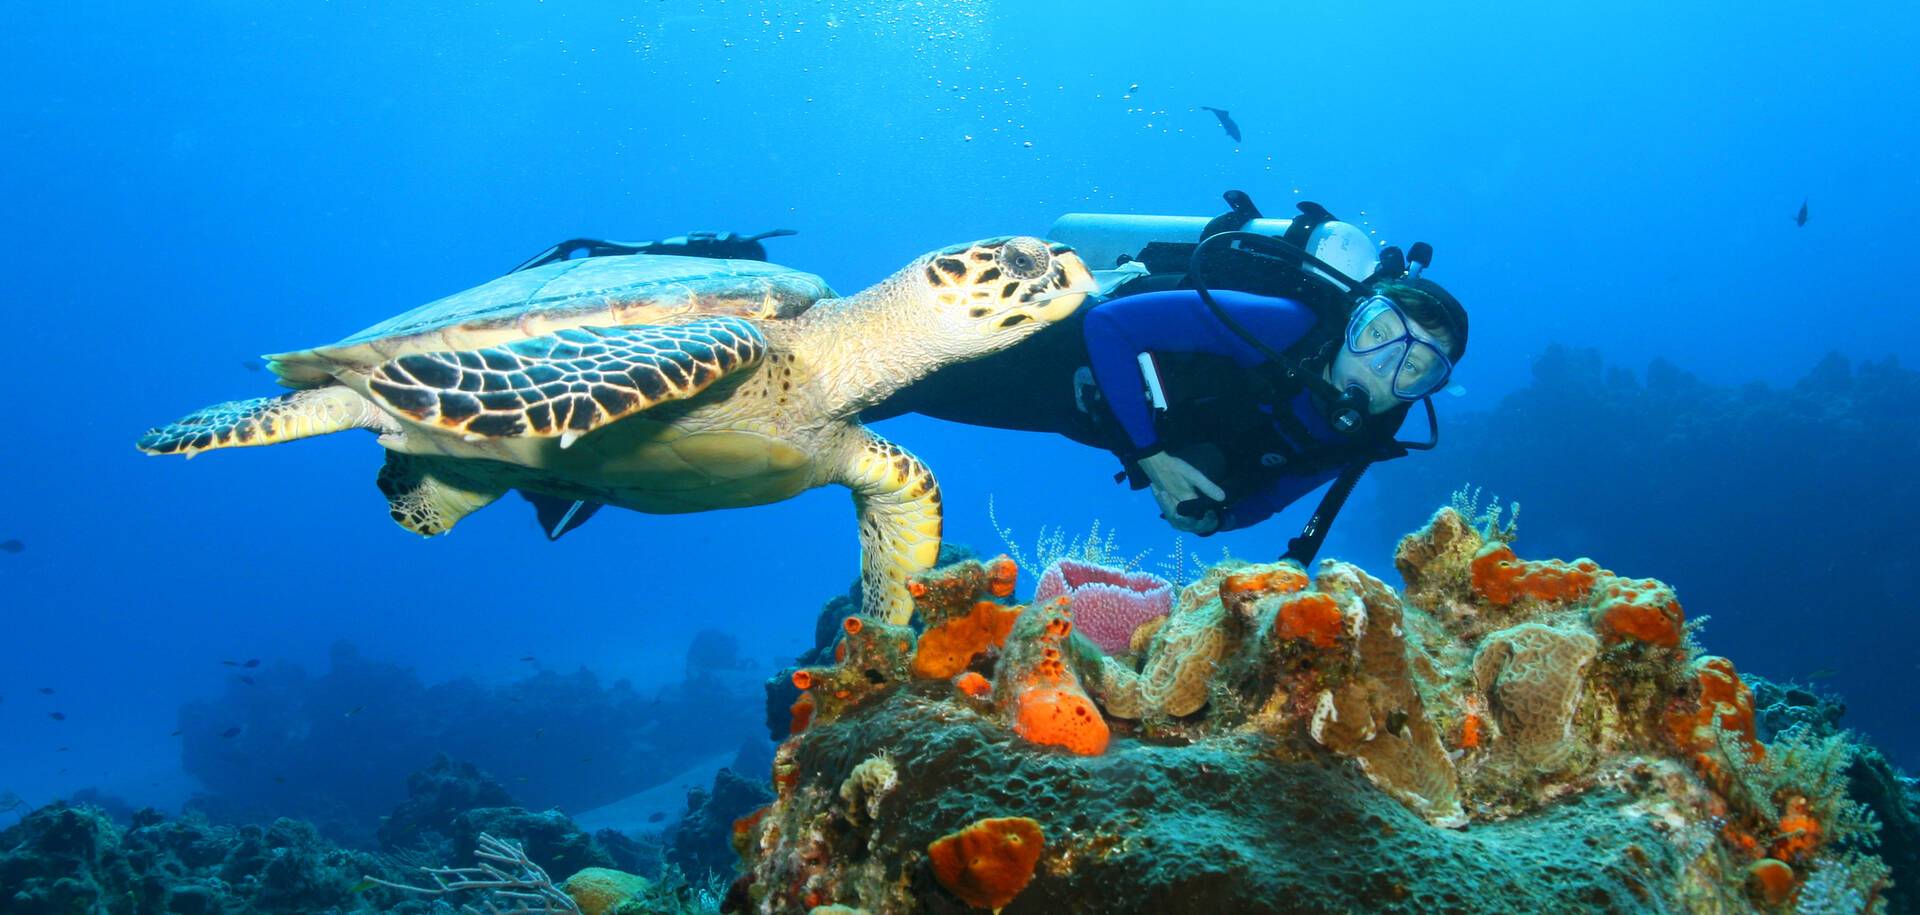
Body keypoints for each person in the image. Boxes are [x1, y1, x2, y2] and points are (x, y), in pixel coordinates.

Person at [866, 190, 1469, 565]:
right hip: (1059, 347)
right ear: (1352, 322)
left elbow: (1280, 494)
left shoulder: (1364, 433)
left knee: (898, 392)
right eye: (1379, 336)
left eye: (1415, 369)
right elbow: (1109, 329)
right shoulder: (1284, 326)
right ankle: (788, 321)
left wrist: (1215, 517)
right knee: (893, 377)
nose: (1383, 368)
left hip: (1084, 414)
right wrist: (1152, 455)